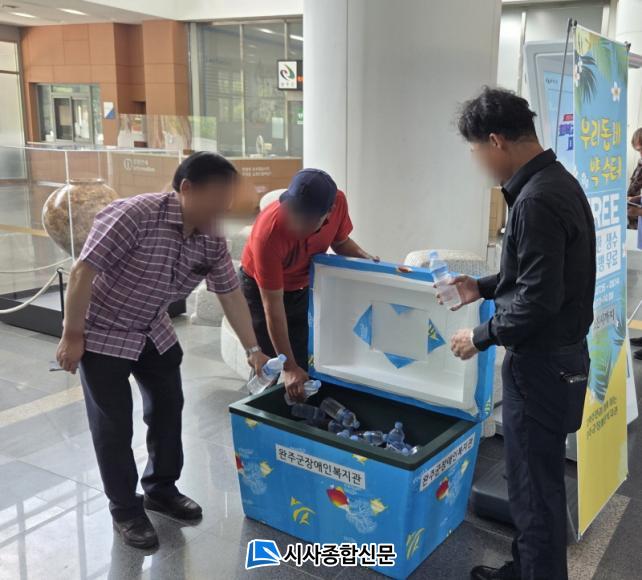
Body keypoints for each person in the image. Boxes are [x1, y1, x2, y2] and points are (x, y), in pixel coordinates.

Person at [55, 152, 270, 549]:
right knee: (113, 425)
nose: (224, 208)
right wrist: (72, 335)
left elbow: (229, 293)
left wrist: (253, 348)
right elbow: (83, 271)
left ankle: (161, 488)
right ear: (187, 188)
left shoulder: (210, 234)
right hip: (103, 331)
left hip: (153, 329)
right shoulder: (133, 215)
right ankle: (125, 508)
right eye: (217, 197)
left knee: (169, 408)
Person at [444, 87, 596, 580]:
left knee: (535, 489)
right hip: (559, 361)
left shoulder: (536, 200)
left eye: (476, 152)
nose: (478, 163)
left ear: (496, 141)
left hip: (540, 366)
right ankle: (526, 567)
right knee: (535, 480)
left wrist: (479, 336)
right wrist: (481, 286)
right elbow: (539, 276)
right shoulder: (556, 183)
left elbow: (536, 301)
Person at [240, 168, 377, 401]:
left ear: (328, 212)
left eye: (306, 220)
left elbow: (340, 242)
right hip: (260, 289)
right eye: (292, 211)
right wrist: (288, 367)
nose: (296, 224)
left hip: (302, 286)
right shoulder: (268, 234)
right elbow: (273, 309)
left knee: (305, 359)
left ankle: (297, 416)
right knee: (270, 365)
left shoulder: (338, 203)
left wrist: (368, 262)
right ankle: (255, 414)